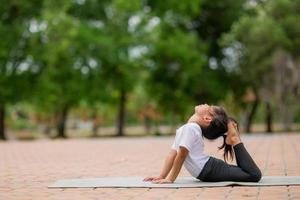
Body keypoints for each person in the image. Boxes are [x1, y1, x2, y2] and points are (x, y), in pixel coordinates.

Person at [143, 104, 262, 184]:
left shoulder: (191, 129)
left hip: (210, 169)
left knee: (254, 175)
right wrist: (162, 176)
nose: (205, 103)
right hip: (208, 169)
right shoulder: (186, 129)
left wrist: (170, 179)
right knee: (248, 173)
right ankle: (232, 138)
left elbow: (182, 155)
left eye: (208, 107)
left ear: (207, 118)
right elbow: (172, 154)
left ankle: (234, 138)